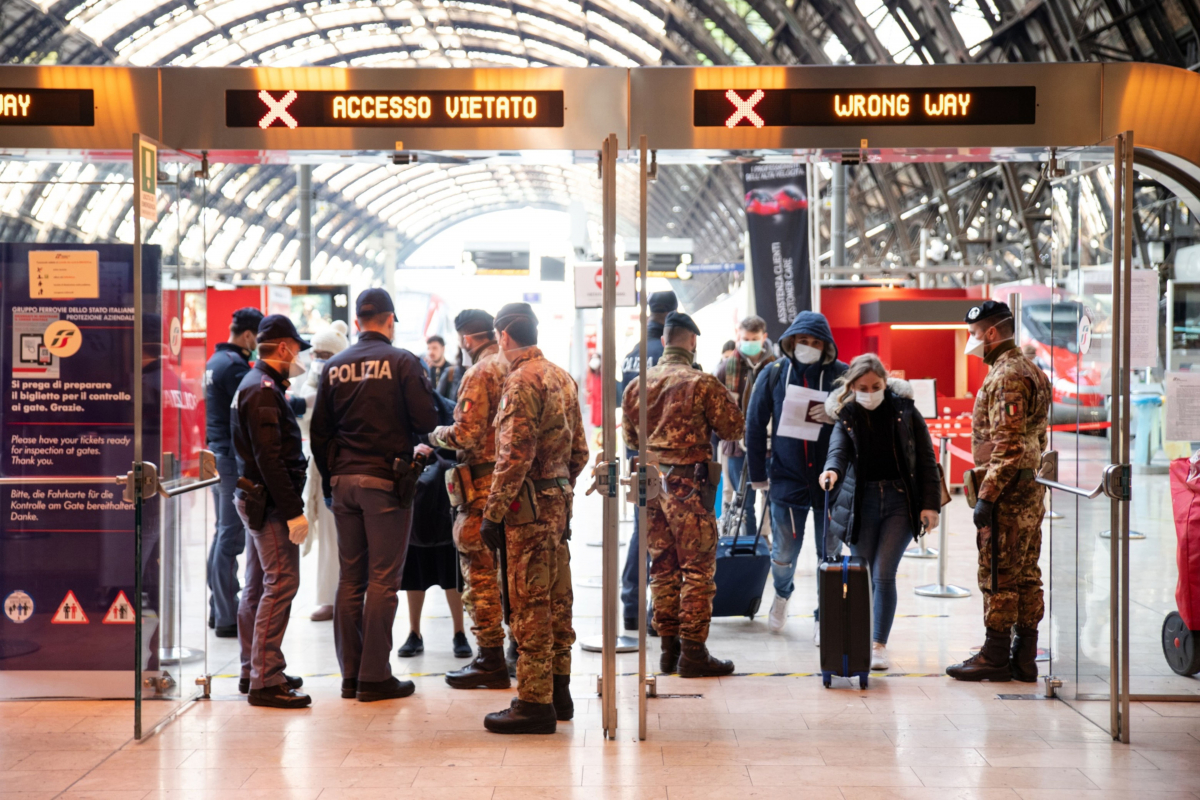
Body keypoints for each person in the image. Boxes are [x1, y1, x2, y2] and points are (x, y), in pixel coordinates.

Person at [310, 288, 440, 703]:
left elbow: (318, 433)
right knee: (384, 580)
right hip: (385, 482)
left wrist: (334, 477)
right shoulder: (403, 362)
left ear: (358, 320)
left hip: (343, 483)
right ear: (389, 320)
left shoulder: (334, 366)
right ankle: (375, 677)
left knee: (350, 579)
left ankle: (350, 676)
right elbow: (426, 420)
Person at [478, 303, 589, 734]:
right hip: (556, 505)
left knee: (529, 605)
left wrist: (493, 512)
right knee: (558, 601)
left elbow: (513, 456)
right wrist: (558, 489)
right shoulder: (562, 377)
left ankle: (533, 702)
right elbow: (580, 451)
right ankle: (559, 693)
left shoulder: (520, 381)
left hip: (525, 511)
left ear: (503, 336)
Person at [622, 312, 745, 678]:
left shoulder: (636, 386)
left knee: (661, 567)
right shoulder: (702, 382)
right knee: (697, 569)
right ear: (692, 342)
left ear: (663, 341)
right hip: (688, 488)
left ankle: (667, 649)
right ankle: (693, 652)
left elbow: (631, 439)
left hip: (650, 485)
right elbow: (733, 427)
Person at [947, 300, 1051, 683]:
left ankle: (994, 655)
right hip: (1029, 490)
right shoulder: (1032, 371)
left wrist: (987, 495)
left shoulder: (1006, 376)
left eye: (974, 334)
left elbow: (1008, 445)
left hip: (1008, 492)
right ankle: (1024, 656)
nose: (972, 342)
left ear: (991, 333)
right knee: (1026, 573)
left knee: (999, 572)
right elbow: (1037, 437)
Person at [818, 354, 941, 670]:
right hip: (863, 501)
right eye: (862, 387)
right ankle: (860, 638)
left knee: (884, 574)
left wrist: (930, 505)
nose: (869, 392)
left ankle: (878, 645)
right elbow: (838, 449)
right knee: (863, 575)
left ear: (886, 384)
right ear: (852, 386)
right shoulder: (847, 414)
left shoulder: (905, 411)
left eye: (876, 386)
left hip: (900, 501)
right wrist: (831, 470)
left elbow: (926, 459)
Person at [745, 310, 847, 640]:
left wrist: (836, 416)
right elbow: (755, 424)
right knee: (783, 554)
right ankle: (782, 594)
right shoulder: (773, 373)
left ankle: (826, 612)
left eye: (816, 342)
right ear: (791, 342)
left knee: (829, 553)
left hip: (831, 482)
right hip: (786, 480)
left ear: (826, 345)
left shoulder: (842, 376)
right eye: (803, 341)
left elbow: (863, 421)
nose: (809, 347)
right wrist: (758, 475)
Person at [428, 309, 513, 690]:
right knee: (517, 576)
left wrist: (435, 435)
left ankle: (490, 658)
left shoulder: (479, 373)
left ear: (465, 338)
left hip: (481, 490)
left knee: (480, 574)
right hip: (520, 489)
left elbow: (465, 432)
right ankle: (518, 652)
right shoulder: (521, 365)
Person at [230, 314, 311, 709]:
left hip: (255, 498)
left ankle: (255, 667)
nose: (299, 356)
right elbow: (270, 459)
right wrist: (294, 512)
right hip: (271, 502)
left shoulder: (256, 384)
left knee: (258, 585)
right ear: (283, 348)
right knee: (281, 584)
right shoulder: (262, 390)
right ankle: (266, 679)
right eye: (296, 348)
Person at [618, 290, 677, 632]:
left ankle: (631, 605)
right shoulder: (666, 357)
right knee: (666, 535)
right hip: (666, 459)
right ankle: (660, 610)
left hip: (636, 456)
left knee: (642, 532)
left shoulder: (632, 354)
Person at [204, 306, 263, 638]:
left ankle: (219, 609)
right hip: (229, 459)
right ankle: (227, 615)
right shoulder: (234, 367)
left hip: (217, 453)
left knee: (221, 533)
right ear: (248, 336)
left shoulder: (216, 362)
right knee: (230, 536)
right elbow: (252, 407)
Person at [395, 444, 471, 660]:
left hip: (444, 514)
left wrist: (434, 444)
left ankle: (459, 632)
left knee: (452, 580)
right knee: (414, 581)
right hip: (415, 520)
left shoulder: (449, 411)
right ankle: (414, 633)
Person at [297, 320, 350, 622]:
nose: (318, 359)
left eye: (324, 354)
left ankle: (352, 595)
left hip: (345, 467)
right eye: (315, 353)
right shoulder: (310, 384)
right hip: (322, 471)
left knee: (349, 538)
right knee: (328, 539)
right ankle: (328, 598)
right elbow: (305, 421)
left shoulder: (348, 383)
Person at [714, 315, 775, 540]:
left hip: (769, 444)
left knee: (770, 498)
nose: (748, 343)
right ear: (738, 337)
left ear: (764, 337)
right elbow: (716, 409)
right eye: (745, 338)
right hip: (737, 446)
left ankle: (766, 537)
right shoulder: (726, 368)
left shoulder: (776, 366)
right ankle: (750, 542)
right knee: (744, 499)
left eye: (754, 338)